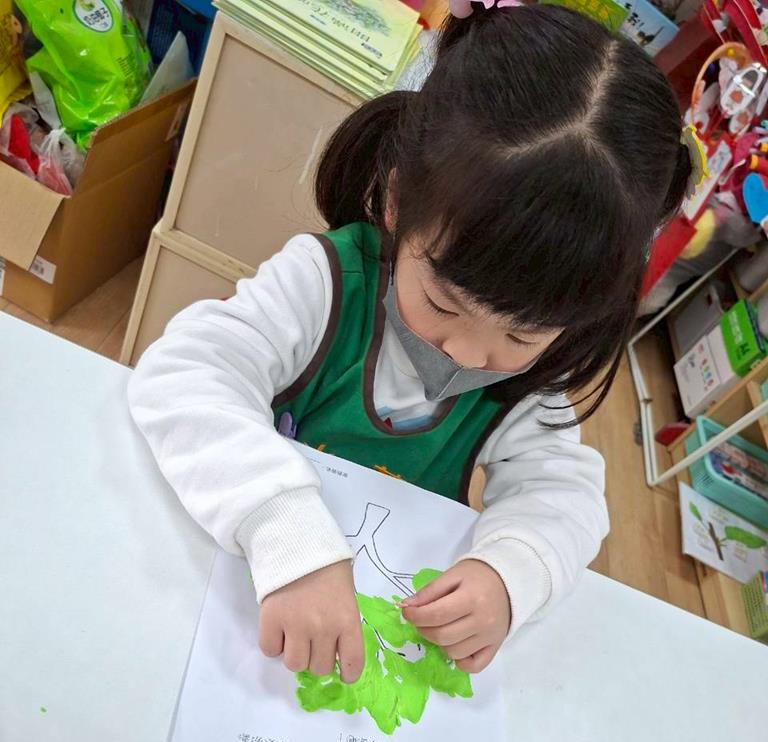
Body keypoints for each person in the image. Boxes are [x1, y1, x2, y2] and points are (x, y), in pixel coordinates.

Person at [128, 1, 696, 684]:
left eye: (521, 332)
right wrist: (282, 525)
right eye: (444, 303)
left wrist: (510, 574)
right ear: (397, 203)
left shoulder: (527, 386)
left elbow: (564, 497)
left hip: (357, 638)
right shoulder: (326, 285)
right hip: (224, 582)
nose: (469, 355)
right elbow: (186, 373)